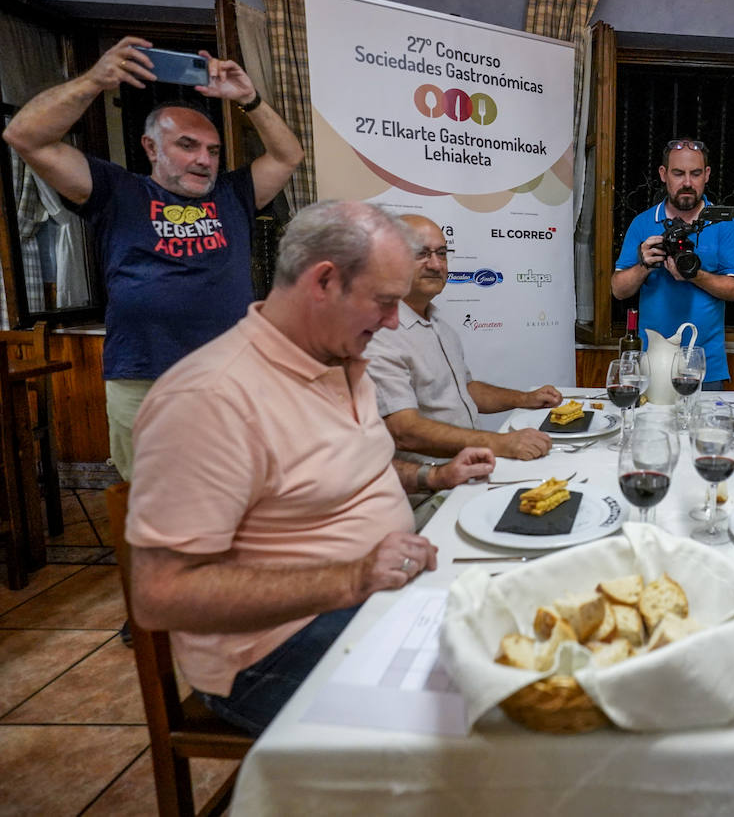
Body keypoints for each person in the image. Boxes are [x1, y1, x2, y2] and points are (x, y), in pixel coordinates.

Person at [123, 201, 495, 735]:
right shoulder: (208, 399)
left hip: (373, 599)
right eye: (385, 302)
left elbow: (354, 472)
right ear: (324, 282)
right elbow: (160, 596)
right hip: (270, 651)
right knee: (470, 725)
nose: (394, 321)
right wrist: (353, 577)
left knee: (515, 653)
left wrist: (432, 477)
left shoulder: (341, 358)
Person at [1, 36, 304, 483]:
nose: (204, 160)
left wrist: (249, 99)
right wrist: (94, 80)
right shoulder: (118, 191)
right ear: (150, 147)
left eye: (213, 150)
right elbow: (24, 135)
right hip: (146, 378)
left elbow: (288, 155)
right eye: (187, 145)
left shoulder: (234, 194)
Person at [364, 213, 563, 526]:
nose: (436, 264)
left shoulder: (438, 322)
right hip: (428, 496)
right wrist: (501, 444)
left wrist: (524, 398)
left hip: (469, 473)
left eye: (442, 253)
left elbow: (464, 391)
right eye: (421, 254)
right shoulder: (380, 333)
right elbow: (404, 431)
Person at [610, 139, 734, 388]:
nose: (687, 183)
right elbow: (619, 289)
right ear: (663, 175)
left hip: (705, 365)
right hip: (652, 363)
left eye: (695, 174)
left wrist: (694, 275)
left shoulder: (723, 224)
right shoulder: (643, 223)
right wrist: (644, 265)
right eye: (678, 173)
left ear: (706, 175)